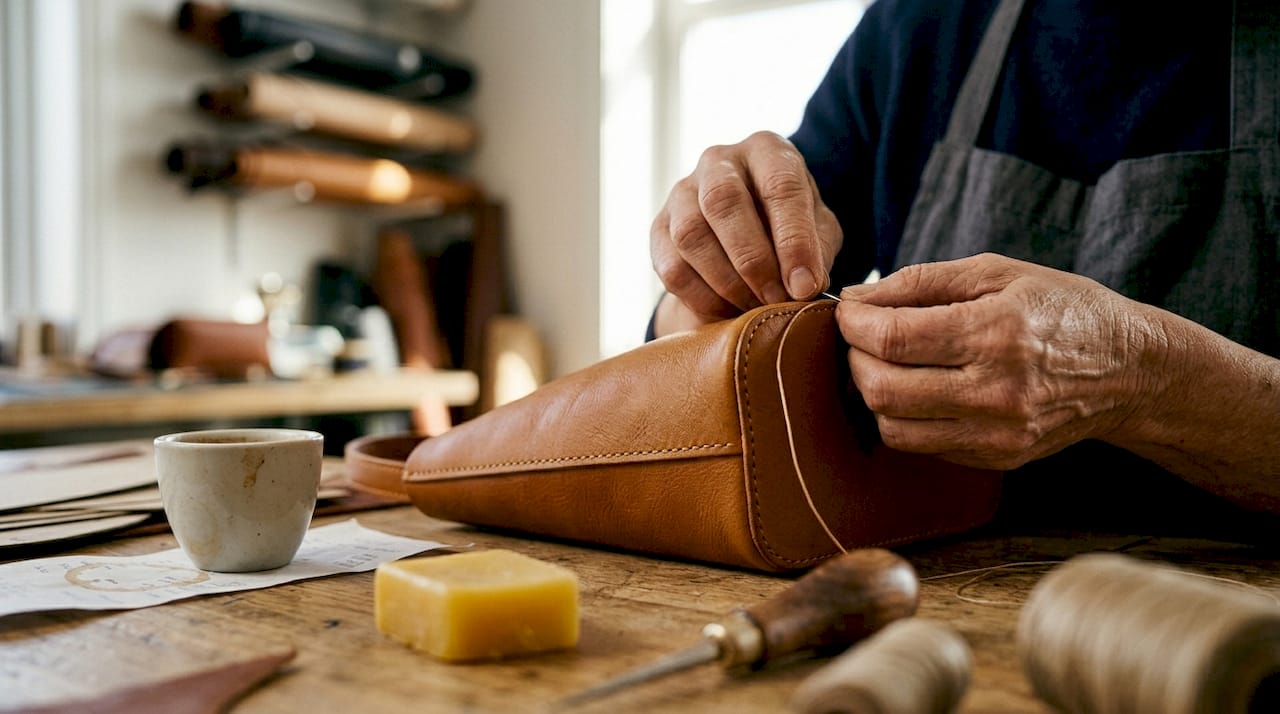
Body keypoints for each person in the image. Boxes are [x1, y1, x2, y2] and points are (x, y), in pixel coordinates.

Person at [648, 0, 1280, 535]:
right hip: (932, 592)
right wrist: (709, 275)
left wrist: (1140, 375)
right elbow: (711, 331)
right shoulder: (921, 26)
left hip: (1232, 624)